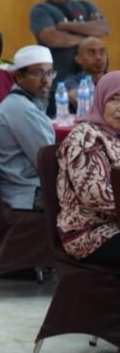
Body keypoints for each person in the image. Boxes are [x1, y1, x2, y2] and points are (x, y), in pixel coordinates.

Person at [57, 71, 120, 269]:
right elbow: (93, 194)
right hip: (91, 232)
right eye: (114, 100)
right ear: (100, 100)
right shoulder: (85, 137)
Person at [0, 45, 56, 210]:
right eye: (38, 73)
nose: (46, 80)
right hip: (26, 192)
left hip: (27, 188)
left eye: (50, 73)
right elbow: (49, 162)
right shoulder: (20, 108)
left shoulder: (26, 103)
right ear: (19, 76)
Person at [29, 0, 109, 83]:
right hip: (58, 83)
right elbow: (53, 38)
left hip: (92, 82)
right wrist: (89, 37)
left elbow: (104, 28)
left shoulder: (86, 5)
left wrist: (66, 26)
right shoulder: (41, 10)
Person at [63, 36, 108, 108]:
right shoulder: (72, 81)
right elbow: (76, 97)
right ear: (78, 59)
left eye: (102, 52)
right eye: (91, 53)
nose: (98, 57)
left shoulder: (115, 79)